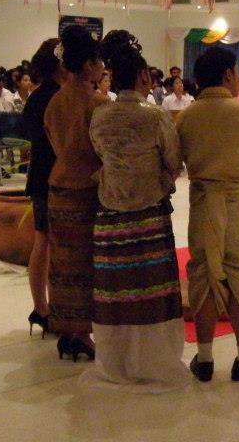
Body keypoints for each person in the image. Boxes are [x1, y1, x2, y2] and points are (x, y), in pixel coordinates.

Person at [83, 30, 189, 393]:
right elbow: (173, 160)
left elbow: (100, 154)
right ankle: (154, 360)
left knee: (115, 289)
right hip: (148, 212)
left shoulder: (100, 115)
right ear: (144, 76)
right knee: (151, 287)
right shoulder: (155, 116)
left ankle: (116, 360)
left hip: (109, 211)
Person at [176, 45, 239, 383]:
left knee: (203, 276)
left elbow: (178, 162)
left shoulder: (187, 116)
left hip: (203, 205)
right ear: (229, 74)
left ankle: (204, 359)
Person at [43, 24, 109, 362]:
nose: (102, 67)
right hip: (86, 191)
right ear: (87, 65)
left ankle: (66, 331)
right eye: (98, 61)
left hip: (59, 189)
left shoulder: (55, 101)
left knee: (62, 264)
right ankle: (82, 334)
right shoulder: (97, 103)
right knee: (85, 265)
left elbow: (56, 144)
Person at [22, 39, 62, 340]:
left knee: (42, 241)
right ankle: (50, 307)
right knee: (52, 243)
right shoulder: (58, 97)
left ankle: (41, 307)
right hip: (55, 174)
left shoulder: (36, 96)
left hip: (39, 172)